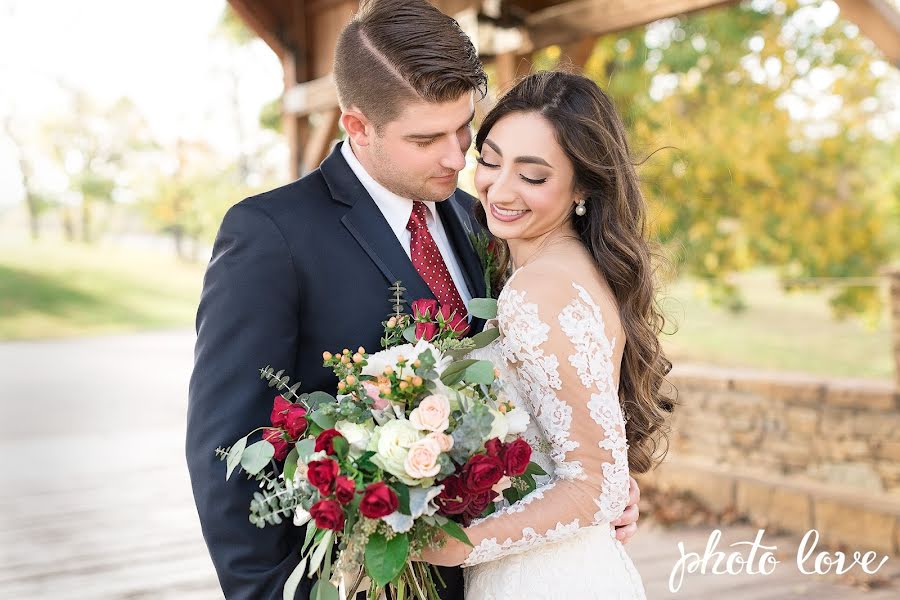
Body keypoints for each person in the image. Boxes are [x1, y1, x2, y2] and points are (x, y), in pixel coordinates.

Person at [185, 1, 642, 598]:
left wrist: (589, 481)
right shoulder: (270, 236)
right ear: (358, 127)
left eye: (463, 128)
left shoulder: (481, 218)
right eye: (427, 138)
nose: (458, 157)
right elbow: (225, 448)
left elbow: (542, 388)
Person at [415, 70, 673, 599]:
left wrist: (454, 544)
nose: (500, 189)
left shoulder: (538, 290)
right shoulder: (566, 266)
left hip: (542, 578)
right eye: (489, 160)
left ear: (582, 185)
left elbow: (594, 487)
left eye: (532, 176)